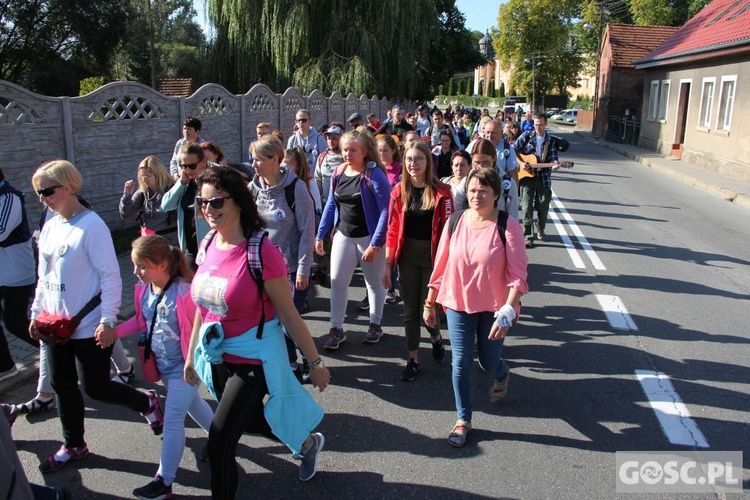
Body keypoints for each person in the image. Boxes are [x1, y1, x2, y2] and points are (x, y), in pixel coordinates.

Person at [184, 166, 330, 497]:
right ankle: (307, 444)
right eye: (203, 202)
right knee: (248, 421)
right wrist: (191, 355)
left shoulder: (260, 250)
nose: (209, 209)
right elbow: (202, 307)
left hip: (254, 358)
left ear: (238, 201)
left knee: (220, 442)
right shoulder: (207, 243)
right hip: (218, 355)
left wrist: (315, 362)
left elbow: (289, 314)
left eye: (216, 202)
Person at [29, 160, 164, 473]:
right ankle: (73, 444)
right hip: (55, 326)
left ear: (69, 186)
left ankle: (146, 403)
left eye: (47, 190)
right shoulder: (49, 225)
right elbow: (44, 277)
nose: (42, 198)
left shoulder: (91, 226)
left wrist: (107, 321)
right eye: (38, 192)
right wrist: (36, 314)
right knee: (62, 385)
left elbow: (110, 277)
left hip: (88, 326)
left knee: (96, 387)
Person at [424, 168, 528, 448]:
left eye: (483, 190)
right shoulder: (455, 222)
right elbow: (441, 264)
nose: (476, 195)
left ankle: (502, 374)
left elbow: (519, 276)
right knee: (460, 362)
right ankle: (463, 420)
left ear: (496, 194)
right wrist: (430, 301)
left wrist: (508, 309)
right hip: (458, 302)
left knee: (487, 362)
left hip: (495, 308)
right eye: (472, 190)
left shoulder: (507, 226)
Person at [118, 235, 214, 499]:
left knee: (172, 421)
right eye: (135, 266)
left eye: (141, 266)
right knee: (194, 405)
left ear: (162, 265)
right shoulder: (143, 289)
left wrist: (194, 362)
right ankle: (222, 438)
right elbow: (140, 322)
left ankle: (164, 481)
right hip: (163, 367)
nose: (135, 272)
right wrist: (113, 333)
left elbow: (203, 325)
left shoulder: (184, 291)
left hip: (185, 368)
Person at [384, 142, 453, 381]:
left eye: (419, 159)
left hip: (433, 258)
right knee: (410, 311)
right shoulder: (398, 192)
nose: (414, 164)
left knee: (429, 309)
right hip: (408, 257)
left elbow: (449, 230)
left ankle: (435, 337)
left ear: (428, 162)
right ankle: (413, 359)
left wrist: (448, 265)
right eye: (409, 160)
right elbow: (392, 230)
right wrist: (387, 264)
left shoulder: (443, 193)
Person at [315, 130, 391, 349]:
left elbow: (386, 209)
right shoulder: (339, 172)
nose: (347, 153)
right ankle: (336, 329)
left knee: (373, 283)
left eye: (352, 150)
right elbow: (331, 204)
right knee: (337, 282)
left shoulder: (373, 174)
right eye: (345, 149)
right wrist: (320, 234)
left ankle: (375, 324)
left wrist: (376, 243)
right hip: (344, 235)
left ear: (365, 152)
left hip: (368, 237)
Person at [249, 137, 316, 377]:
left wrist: (303, 268)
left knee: (289, 322)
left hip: (291, 269)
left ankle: (311, 359)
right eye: (253, 159)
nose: (253, 164)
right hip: (263, 269)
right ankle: (291, 365)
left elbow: (308, 230)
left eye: (258, 159)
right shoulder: (254, 188)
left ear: (275, 159)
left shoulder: (294, 188)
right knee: (275, 323)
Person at [0, 167, 36, 382]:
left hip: (16, 274)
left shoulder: (9, 197)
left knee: (15, 322)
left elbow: (2, 230)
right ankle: (5, 366)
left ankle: (56, 351)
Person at [513, 113, 560, 248]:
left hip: (543, 178)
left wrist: (555, 164)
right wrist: (521, 164)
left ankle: (540, 226)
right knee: (527, 207)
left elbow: (553, 157)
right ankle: (528, 235)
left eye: (540, 125)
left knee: (543, 206)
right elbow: (513, 150)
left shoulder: (550, 141)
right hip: (527, 177)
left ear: (546, 124)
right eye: (536, 125)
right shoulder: (527, 136)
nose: (537, 127)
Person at [161, 143, 212, 265]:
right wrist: (181, 182)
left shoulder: (214, 181)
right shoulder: (185, 184)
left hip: (210, 246)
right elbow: (166, 205)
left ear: (204, 161)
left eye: (192, 166)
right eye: (184, 166)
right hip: (190, 247)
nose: (188, 170)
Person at [120, 156, 177, 245]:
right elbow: (126, 214)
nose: (144, 179)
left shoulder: (173, 190)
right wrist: (127, 195)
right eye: (142, 176)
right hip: (151, 242)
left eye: (148, 176)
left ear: (158, 174)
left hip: (171, 242)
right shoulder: (143, 193)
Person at [377, 134, 402, 305]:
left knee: (390, 253)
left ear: (394, 150)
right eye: (379, 151)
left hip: (395, 217)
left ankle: (390, 288)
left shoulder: (400, 169)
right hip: (377, 216)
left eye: (385, 150)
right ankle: (372, 291)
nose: (382, 154)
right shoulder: (374, 169)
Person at [481, 119, 519, 218]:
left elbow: (513, 173)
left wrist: (514, 193)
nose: (490, 135)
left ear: (501, 133)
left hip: (500, 192)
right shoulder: (476, 146)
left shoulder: (508, 149)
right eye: (488, 132)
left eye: (493, 133)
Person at [287, 109, 327, 173]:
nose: (301, 122)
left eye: (304, 120)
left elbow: (325, 161)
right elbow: (289, 161)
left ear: (309, 121)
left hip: (314, 178)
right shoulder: (292, 140)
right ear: (296, 122)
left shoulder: (319, 139)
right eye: (298, 120)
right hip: (297, 179)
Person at [285, 145, 322, 215]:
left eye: (289, 166)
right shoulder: (283, 182)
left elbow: (318, 209)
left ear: (298, 167)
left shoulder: (309, 182)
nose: (285, 169)